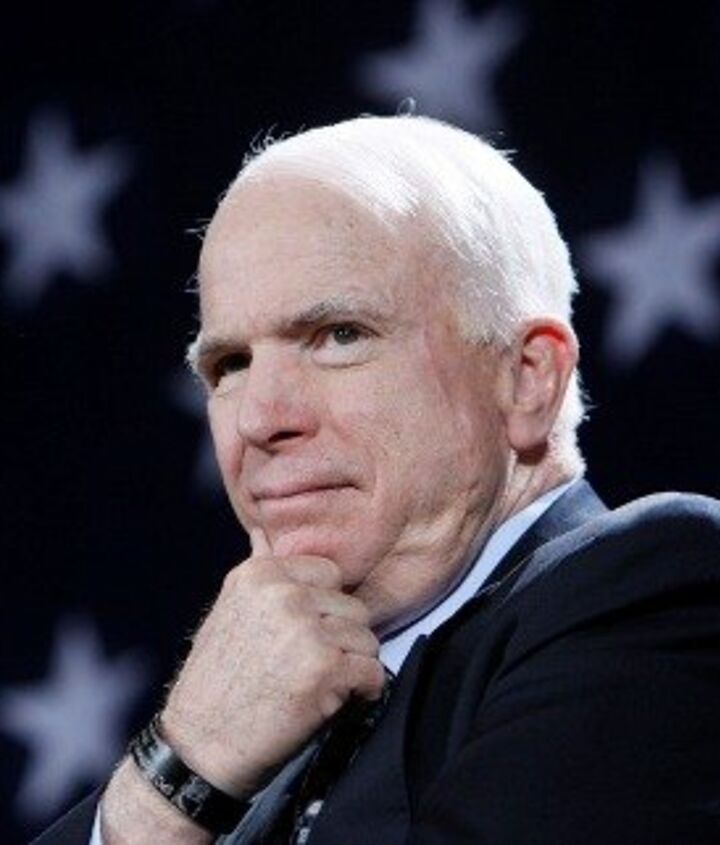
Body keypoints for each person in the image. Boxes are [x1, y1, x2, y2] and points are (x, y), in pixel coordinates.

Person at [36, 115, 720, 844]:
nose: (259, 419)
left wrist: (183, 784)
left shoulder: (661, 589)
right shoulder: (257, 736)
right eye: (230, 364)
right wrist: (173, 777)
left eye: (339, 336)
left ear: (527, 378)